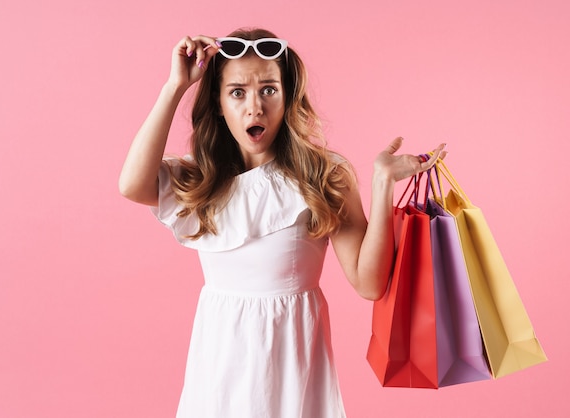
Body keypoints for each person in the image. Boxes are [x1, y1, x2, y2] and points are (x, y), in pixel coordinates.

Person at [119, 27, 446, 418]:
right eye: (237, 92)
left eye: (269, 89)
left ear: (288, 96)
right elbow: (132, 185)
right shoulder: (200, 178)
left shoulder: (323, 175)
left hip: (291, 366)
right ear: (219, 103)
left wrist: (381, 183)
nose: (254, 107)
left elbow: (370, 282)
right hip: (218, 367)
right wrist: (175, 86)